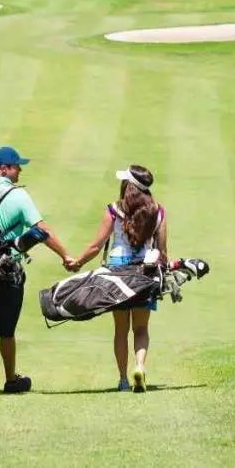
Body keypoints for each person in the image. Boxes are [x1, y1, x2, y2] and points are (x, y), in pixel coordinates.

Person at [0, 146, 74, 398]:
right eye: (16, 165)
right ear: (3, 169)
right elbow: (42, 230)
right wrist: (65, 256)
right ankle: (10, 380)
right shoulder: (18, 196)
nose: (20, 169)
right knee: (7, 331)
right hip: (9, 271)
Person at [69, 165, 167, 393]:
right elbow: (162, 250)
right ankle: (140, 367)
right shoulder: (158, 211)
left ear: (128, 186)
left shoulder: (114, 209)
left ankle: (123, 380)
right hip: (145, 271)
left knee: (120, 330)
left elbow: (96, 245)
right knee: (141, 329)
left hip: (117, 271)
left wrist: (78, 263)